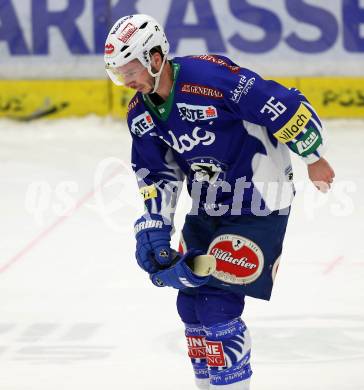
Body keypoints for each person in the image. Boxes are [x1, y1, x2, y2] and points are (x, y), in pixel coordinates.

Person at [104, 14, 335, 390]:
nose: (127, 80)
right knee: (190, 306)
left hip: (260, 199)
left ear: (157, 57)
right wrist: (155, 225)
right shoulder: (141, 114)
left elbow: (279, 102)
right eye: (118, 73)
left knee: (217, 306)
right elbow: (157, 174)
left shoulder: (211, 79)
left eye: (131, 68)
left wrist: (314, 156)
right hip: (209, 204)